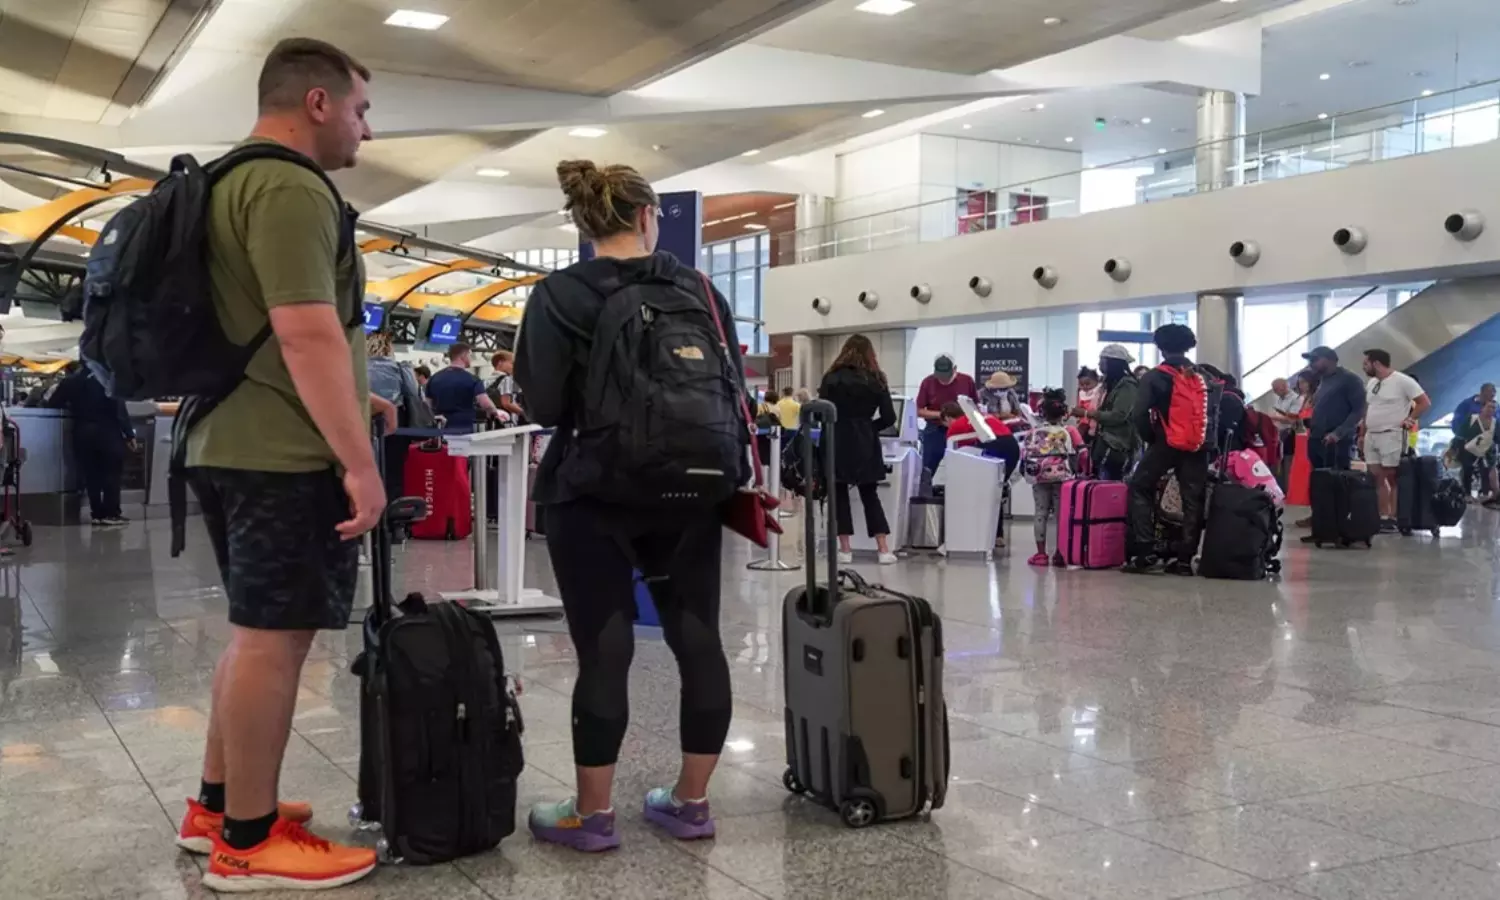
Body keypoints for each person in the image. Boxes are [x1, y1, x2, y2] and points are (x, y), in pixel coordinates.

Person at [174, 38, 382, 891]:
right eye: (361, 110)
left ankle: (218, 806)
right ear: (318, 103)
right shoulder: (290, 187)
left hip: (229, 435)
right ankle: (249, 843)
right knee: (275, 640)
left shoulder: (227, 178)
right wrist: (360, 463)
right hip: (281, 454)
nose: (367, 130)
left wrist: (359, 403)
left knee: (253, 633)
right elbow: (305, 331)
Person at [515, 158, 745, 851]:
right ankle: (691, 803)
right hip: (694, 489)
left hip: (593, 490)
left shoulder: (559, 294)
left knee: (605, 648)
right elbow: (732, 389)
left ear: (585, 224)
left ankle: (592, 815)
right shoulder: (700, 290)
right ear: (649, 217)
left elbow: (543, 403)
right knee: (697, 637)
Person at [1123, 324, 1210, 576]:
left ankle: (1146, 551)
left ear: (1160, 347)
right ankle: (1185, 560)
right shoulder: (1203, 375)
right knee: (1193, 499)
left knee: (1140, 486)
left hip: (1165, 443)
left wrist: (1152, 438)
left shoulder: (1154, 376)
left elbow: (1139, 414)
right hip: (1197, 445)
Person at [820, 335, 899, 565]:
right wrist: (869, 428)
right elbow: (889, 417)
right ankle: (883, 549)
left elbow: (822, 412)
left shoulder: (831, 378)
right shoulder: (877, 379)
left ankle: (845, 550)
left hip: (836, 438)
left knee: (839, 493)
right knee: (870, 494)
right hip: (865, 441)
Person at [47, 363, 137, 527]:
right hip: (108, 432)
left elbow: (53, 404)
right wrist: (129, 434)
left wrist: (72, 407)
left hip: (82, 432)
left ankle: (97, 514)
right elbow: (119, 410)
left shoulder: (71, 381)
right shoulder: (108, 380)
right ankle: (111, 514)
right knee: (112, 473)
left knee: (91, 475)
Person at [1359, 348, 1429, 531]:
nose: (1363, 367)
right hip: (1372, 434)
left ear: (1376, 363)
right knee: (1375, 476)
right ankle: (1381, 515)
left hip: (1391, 434)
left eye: (1366, 363)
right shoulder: (1372, 383)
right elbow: (1368, 409)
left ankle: (1394, 515)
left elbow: (1424, 402)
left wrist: (1410, 419)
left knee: (1391, 475)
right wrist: (1362, 433)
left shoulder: (1403, 381)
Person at [1022, 390, 1083, 567]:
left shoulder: (1033, 432)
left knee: (1040, 513)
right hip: (1062, 479)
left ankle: (1041, 554)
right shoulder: (1068, 431)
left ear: (1042, 413)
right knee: (1060, 515)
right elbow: (1079, 453)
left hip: (1039, 478)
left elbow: (1025, 455)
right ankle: (1060, 553)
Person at [1075, 344, 1138, 480]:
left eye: (1102, 361)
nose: (1099, 364)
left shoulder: (1127, 386)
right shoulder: (1108, 384)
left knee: (1111, 484)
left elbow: (1118, 416)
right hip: (1104, 442)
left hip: (1117, 446)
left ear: (1112, 363)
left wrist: (1086, 413)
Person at [1302, 346, 1366, 472]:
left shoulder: (1349, 379)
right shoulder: (1323, 380)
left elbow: (1358, 410)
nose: (1311, 364)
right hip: (1317, 438)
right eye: (1310, 361)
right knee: (1319, 479)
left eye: (1315, 360)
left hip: (1337, 442)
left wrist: (1338, 433)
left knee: (1336, 479)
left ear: (1330, 360)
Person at [916, 354, 977, 475]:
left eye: (946, 377)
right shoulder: (928, 382)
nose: (943, 380)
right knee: (927, 468)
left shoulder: (967, 381)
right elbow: (918, 410)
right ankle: (924, 485)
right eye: (940, 377)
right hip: (936, 429)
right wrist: (942, 415)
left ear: (954, 369)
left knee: (964, 467)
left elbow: (975, 407)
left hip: (962, 431)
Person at [425, 341, 504, 432]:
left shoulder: (434, 378)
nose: (471, 359)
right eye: (470, 355)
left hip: (441, 428)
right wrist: (495, 414)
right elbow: (486, 404)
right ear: (464, 356)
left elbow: (427, 405)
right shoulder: (472, 379)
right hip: (465, 428)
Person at [1454, 400, 1499, 503]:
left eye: (1493, 408)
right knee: (1467, 471)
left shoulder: (1495, 422)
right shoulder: (1472, 419)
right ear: (1482, 408)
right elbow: (1461, 434)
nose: (1491, 409)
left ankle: (1485, 493)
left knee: (1485, 471)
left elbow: (1497, 438)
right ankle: (1467, 494)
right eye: (1489, 407)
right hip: (1469, 450)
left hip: (1486, 452)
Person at [1267, 377, 1304, 484]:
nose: (1274, 391)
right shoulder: (1279, 399)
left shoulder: (1296, 399)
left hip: (1289, 434)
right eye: (1273, 389)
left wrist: (1272, 417)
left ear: (1284, 387)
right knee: (1278, 463)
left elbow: (1292, 419)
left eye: (1276, 389)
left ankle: (1288, 486)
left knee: (1288, 463)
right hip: (1278, 433)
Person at [486, 350, 525, 421]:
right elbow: (506, 404)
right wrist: (525, 414)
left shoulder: (487, 380)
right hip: (506, 420)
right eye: (512, 363)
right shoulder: (506, 379)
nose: (514, 367)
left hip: (492, 419)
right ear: (500, 362)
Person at [1075, 366, 1101, 443]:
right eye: (1081, 384)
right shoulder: (1081, 393)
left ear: (1096, 381)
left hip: (1095, 421)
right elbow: (1079, 406)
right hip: (1084, 421)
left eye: (1087, 384)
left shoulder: (1099, 392)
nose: (1085, 386)